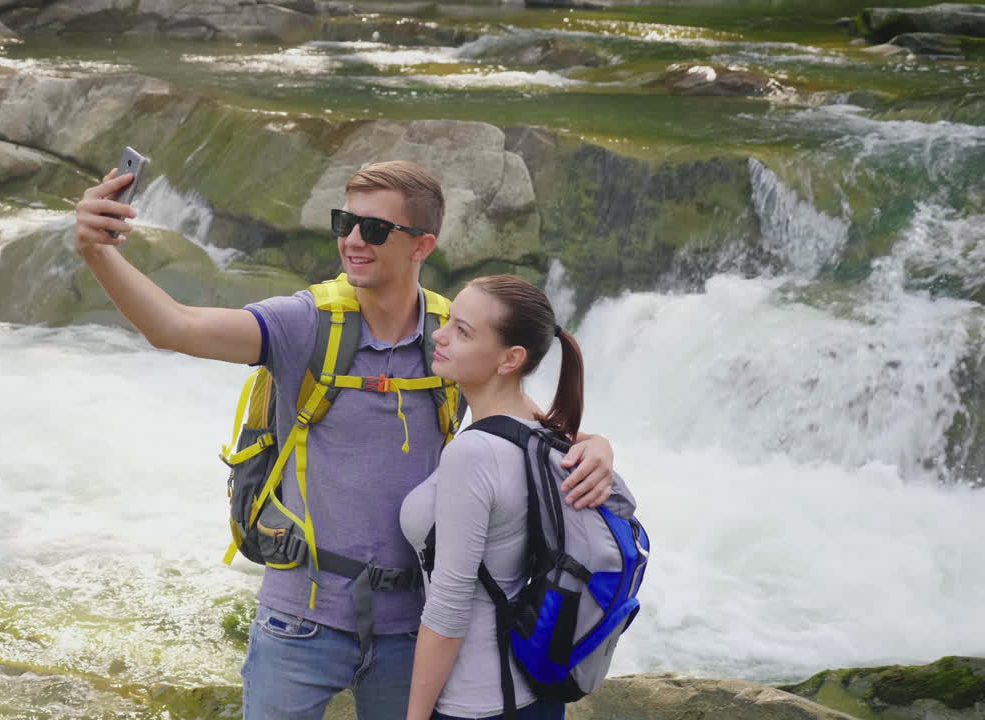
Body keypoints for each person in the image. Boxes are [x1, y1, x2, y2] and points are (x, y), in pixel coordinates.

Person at [73, 160, 617, 720]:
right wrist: (97, 251)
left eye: (375, 229)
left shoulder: (450, 335)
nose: (353, 240)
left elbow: (523, 426)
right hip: (298, 622)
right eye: (345, 222)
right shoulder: (305, 323)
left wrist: (594, 444)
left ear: (421, 245)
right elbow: (175, 327)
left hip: (413, 626)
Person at [401, 274, 594, 720]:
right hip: (535, 692)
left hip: (477, 701)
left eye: (462, 331)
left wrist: (415, 715)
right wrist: (602, 443)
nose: (439, 335)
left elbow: (449, 609)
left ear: (511, 358)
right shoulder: (545, 434)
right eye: (448, 321)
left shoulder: (474, 454)